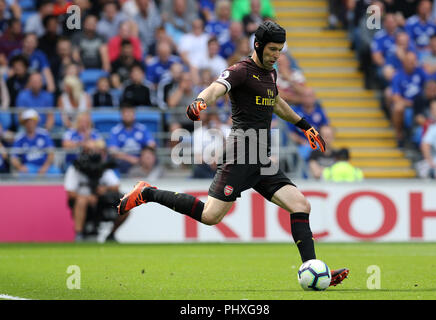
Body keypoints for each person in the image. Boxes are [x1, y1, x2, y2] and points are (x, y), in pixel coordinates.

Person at [117, 21, 349, 287]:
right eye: (272, 49)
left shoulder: (270, 74)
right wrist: (200, 101)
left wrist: (304, 125)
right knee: (210, 216)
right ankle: (147, 193)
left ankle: (313, 269)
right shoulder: (240, 71)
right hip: (240, 155)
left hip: (261, 158)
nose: (276, 55)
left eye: (280, 50)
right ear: (258, 46)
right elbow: (217, 87)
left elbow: (275, 101)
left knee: (300, 205)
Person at [64, 139, 126, 242]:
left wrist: (104, 189)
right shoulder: (76, 167)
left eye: (97, 150)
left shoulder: (103, 166)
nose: (94, 154)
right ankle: (78, 234)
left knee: (126, 204)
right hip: (82, 200)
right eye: (90, 150)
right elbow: (70, 193)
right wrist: (88, 197)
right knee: (81, 201)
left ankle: (111, 235)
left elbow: (116, 186)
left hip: (101, 200)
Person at [108, 103, 157, 174]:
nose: (128, 115)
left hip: (141, 157)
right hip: (124, 160)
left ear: (134, 114)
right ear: (122, 115)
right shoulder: (116, 130)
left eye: (130, 112)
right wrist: (130, 158)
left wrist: (144, 155)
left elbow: (151, 144)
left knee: (152, 159)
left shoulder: (142, 128)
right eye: (125, 113)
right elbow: (112, 150)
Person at [10, 108, 60, 176]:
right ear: (24, 123)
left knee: (56, 172)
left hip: (45, 166)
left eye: (32, 120)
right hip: (29, 168)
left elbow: (51, 153)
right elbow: (13, 157)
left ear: (36, 122)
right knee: (22, 174)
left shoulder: (44, 134)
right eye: (27, 121)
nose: (30, 123)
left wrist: (45, 167)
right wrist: (20, 167)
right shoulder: (20, 138)